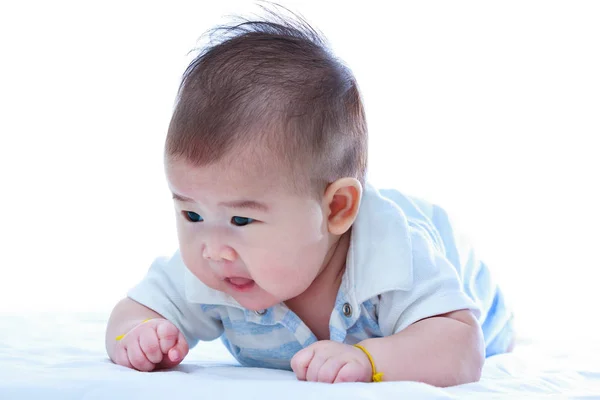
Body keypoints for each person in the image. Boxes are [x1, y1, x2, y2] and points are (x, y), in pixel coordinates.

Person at [105, 8, 514, 387]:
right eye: (191, 214)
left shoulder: (394, 256)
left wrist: (370, 360)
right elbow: (131, 312)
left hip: (460, 278)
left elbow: (461, 350)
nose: (212, 250)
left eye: (242, 221)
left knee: (473, 319)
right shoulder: (214, 267)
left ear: (335, 209)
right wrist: (137, 334)